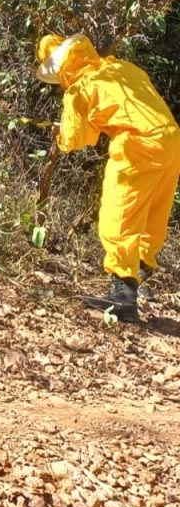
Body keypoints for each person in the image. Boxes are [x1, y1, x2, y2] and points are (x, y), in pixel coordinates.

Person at [35, 32, 180, 323]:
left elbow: (78, 139)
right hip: (171, 140)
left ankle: (124, 295)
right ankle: (141, 264)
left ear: (63, 69)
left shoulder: (80, 88)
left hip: (136, 146)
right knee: (153, 209)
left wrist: (60, 135)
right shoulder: (122, 68)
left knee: (119, 214)